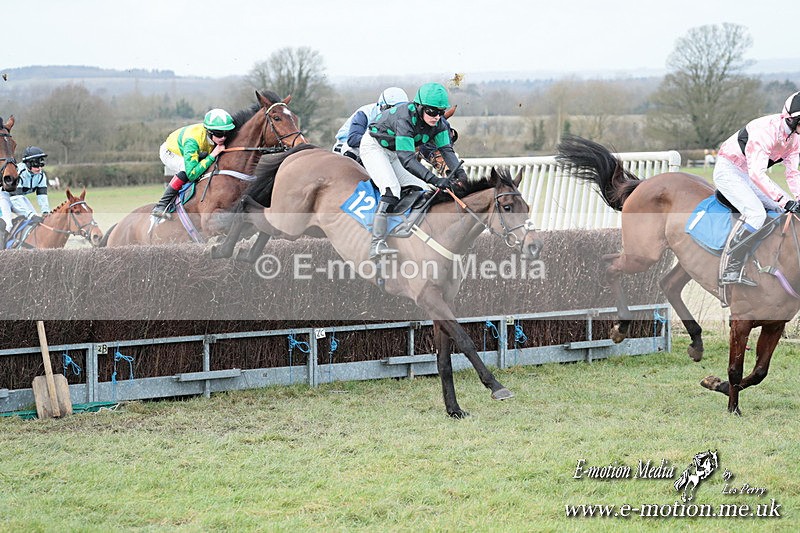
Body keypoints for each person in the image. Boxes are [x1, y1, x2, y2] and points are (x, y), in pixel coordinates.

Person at [359, 82, 468, 259]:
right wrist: (435, 179)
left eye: (440, 112)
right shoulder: (405, 118)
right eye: (432, 112)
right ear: (419, 107)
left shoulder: (439, 124)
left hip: (394, 152)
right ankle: (376, 243)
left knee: (421, 189)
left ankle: (405, 231)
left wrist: (461, 176)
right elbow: (408, 159)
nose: (436, 117)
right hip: (374, 147)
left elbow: (446, 151)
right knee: (391, 190)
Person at [714, 91, 800, 285]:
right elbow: (757, 174)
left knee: (783, 212)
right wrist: (786, 201)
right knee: (757, 215)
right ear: (794, 120)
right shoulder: (765, 131)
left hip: (750, 173)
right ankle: (731, 267)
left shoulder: (795, 138)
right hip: (730, 170)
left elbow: (793, 173)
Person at [151, 108, 236, 218]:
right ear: (209, 131)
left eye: (227, 133)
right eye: (219, 134)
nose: (223, 138)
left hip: (197, 150)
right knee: (186, 171)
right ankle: (161, 206)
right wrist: (212, 155)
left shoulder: (214, 137)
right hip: (171, 152)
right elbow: (192, 174)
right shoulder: (192, 140)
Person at [332, 87, 409, 161]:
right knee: (354, 152)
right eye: (395, 109)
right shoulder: (365, 113)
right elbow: (353, 140)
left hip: (374, 148)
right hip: (347, 146)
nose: (398, 113)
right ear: (384, 106)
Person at [12, 146, 51, 222]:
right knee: (7, 224)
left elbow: (42, 196)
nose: (39, 168)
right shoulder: (17, 172)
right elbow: (16, 198)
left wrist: (45, 211)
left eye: (41, 165)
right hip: (5, 197)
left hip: (19, 197)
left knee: (34, 220)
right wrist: (30, 215)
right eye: (36, 165)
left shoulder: (41, 175)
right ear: (28, 164)